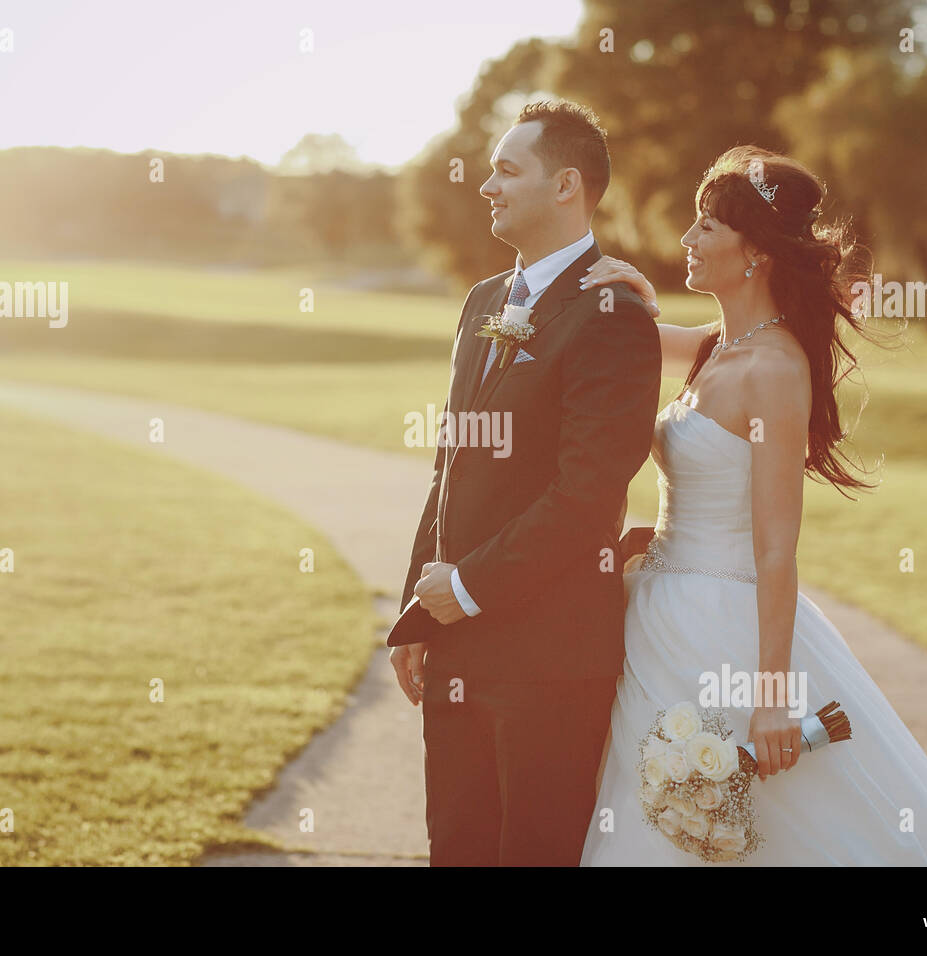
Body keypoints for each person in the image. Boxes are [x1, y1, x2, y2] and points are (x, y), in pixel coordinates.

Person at [578, 146, 927, 865]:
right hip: (657, 616)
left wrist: (770, 698)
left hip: (722, 629)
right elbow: (633, 337)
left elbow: (775, 547)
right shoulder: (717, 349)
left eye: (707, 225)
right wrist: (622, 291)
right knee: (650, 815)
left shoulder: (773, 370)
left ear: (757, 254)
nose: (687, 239)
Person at [392, 100, 661, 866]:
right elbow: (453, 466)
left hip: (550, 661)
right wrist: (422, 604)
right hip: (453, 646)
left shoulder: (612, 313)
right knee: (458, 848)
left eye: (508, 170)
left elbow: (589, 495)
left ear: (566, 185)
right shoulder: (482, 301)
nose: (487, 186)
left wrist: (468, 586)